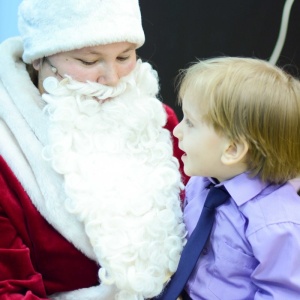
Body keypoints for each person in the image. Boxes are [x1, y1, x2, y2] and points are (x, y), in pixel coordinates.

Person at [0, 0, 187, 299]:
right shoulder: (6, 153)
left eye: (124, 56)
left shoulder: (161, 123)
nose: (111, 79)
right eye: (89, 61)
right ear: (39, 59)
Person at [171, 57, 300, 299]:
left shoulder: (277, 224)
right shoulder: (203, 181)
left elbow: (282, 294)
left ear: (232, 150)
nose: (177, 130)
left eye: (190, 123)